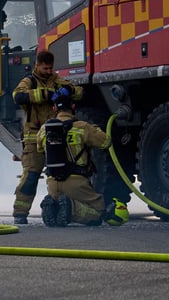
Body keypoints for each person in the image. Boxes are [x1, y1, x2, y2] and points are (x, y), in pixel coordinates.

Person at [10, 50, 82, 224]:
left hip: (54, 137)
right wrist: (45, 95)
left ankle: (59, 210)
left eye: (51, 68)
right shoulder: (29, 81)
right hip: (34, 137)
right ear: (37, 65)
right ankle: (20, 213)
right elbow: (17, 96)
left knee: (60, 175)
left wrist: (68, 89)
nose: (49, 71)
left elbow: (79, 92)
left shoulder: (56, 81)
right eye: (45, 68)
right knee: (31, 175)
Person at [36, 88, 127, 226]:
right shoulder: (83, 127)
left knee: (59, 199)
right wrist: (95, 128)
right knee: (98, 212)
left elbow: (39, 148)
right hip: (77, 183)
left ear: (54, 108)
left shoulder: (44, 130)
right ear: (73, 106)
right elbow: (106, 142)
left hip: (52, 183)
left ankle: (52, 207)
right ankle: (70, 208)